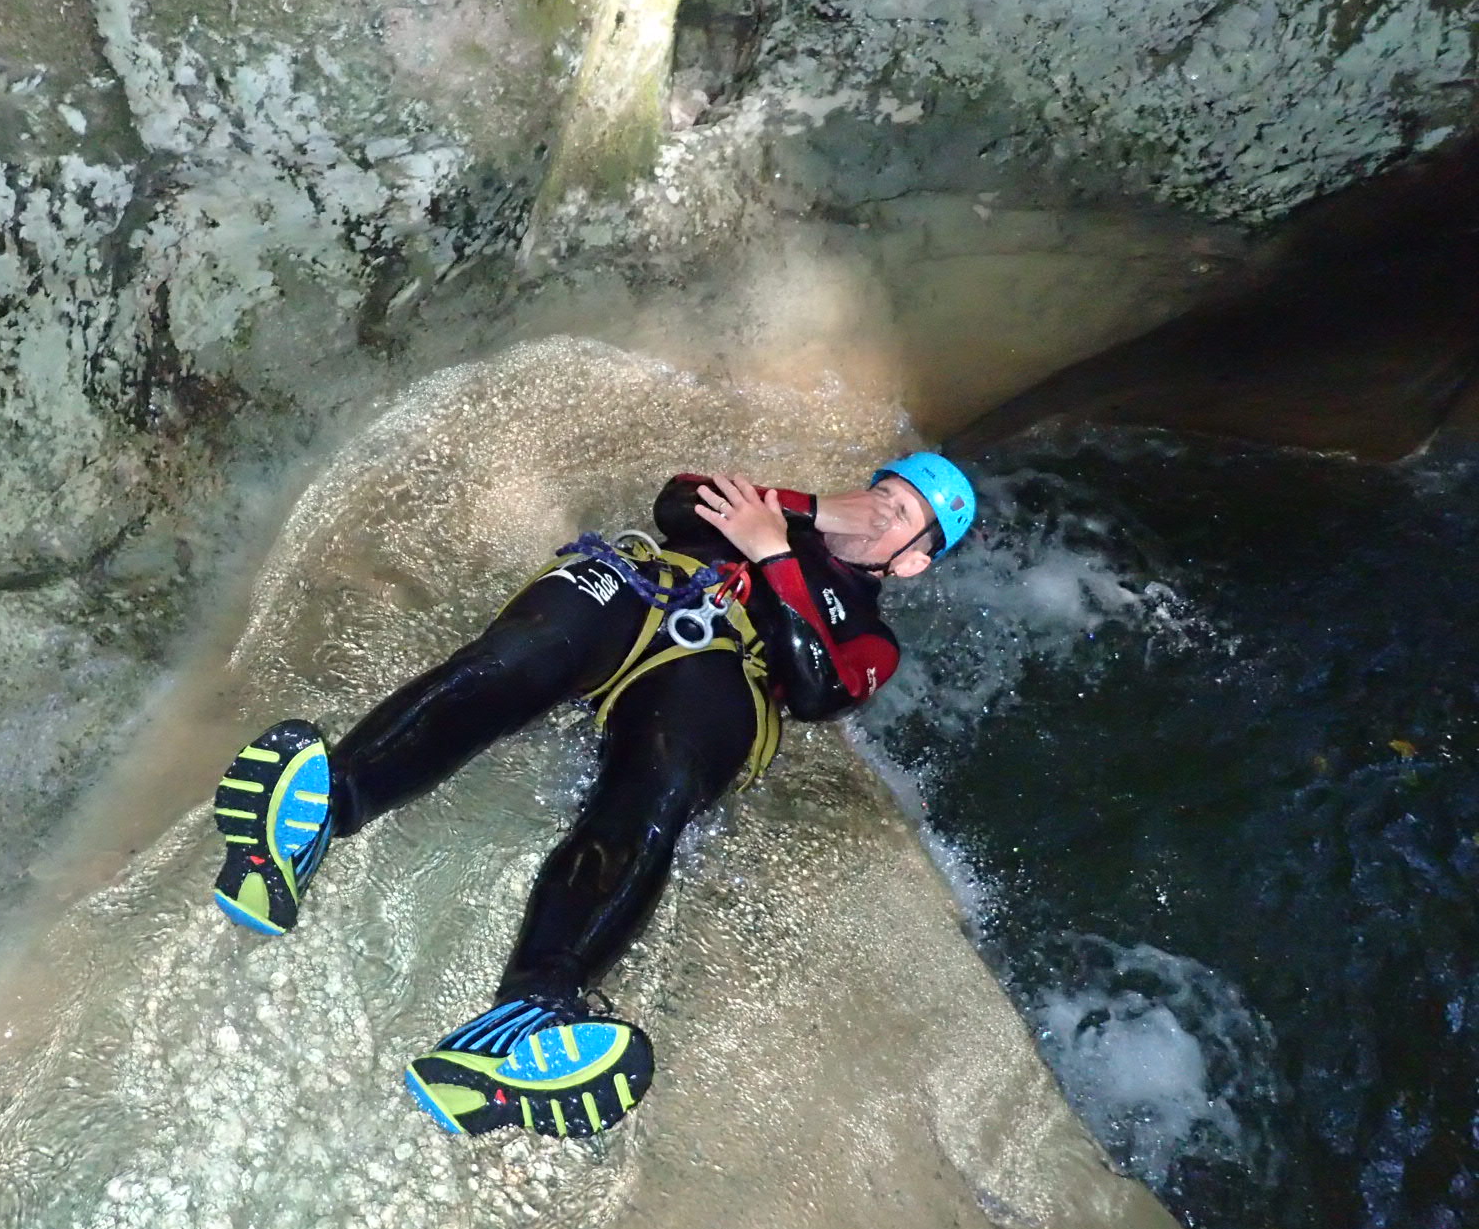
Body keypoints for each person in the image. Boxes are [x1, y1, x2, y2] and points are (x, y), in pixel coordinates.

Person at [208, 453, 977, 1139]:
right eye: (886, 490)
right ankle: (316, 814)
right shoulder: (787, 508)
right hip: (637, 587)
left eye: (904, 516)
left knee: (657, 796)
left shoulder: (873, 636)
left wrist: (775, 553)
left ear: (911, 563)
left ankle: (530, 1014)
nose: (882, 509)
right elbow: (680, 501)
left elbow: (819, 689)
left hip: (720, 670)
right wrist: (812, 510)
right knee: (510, 661)